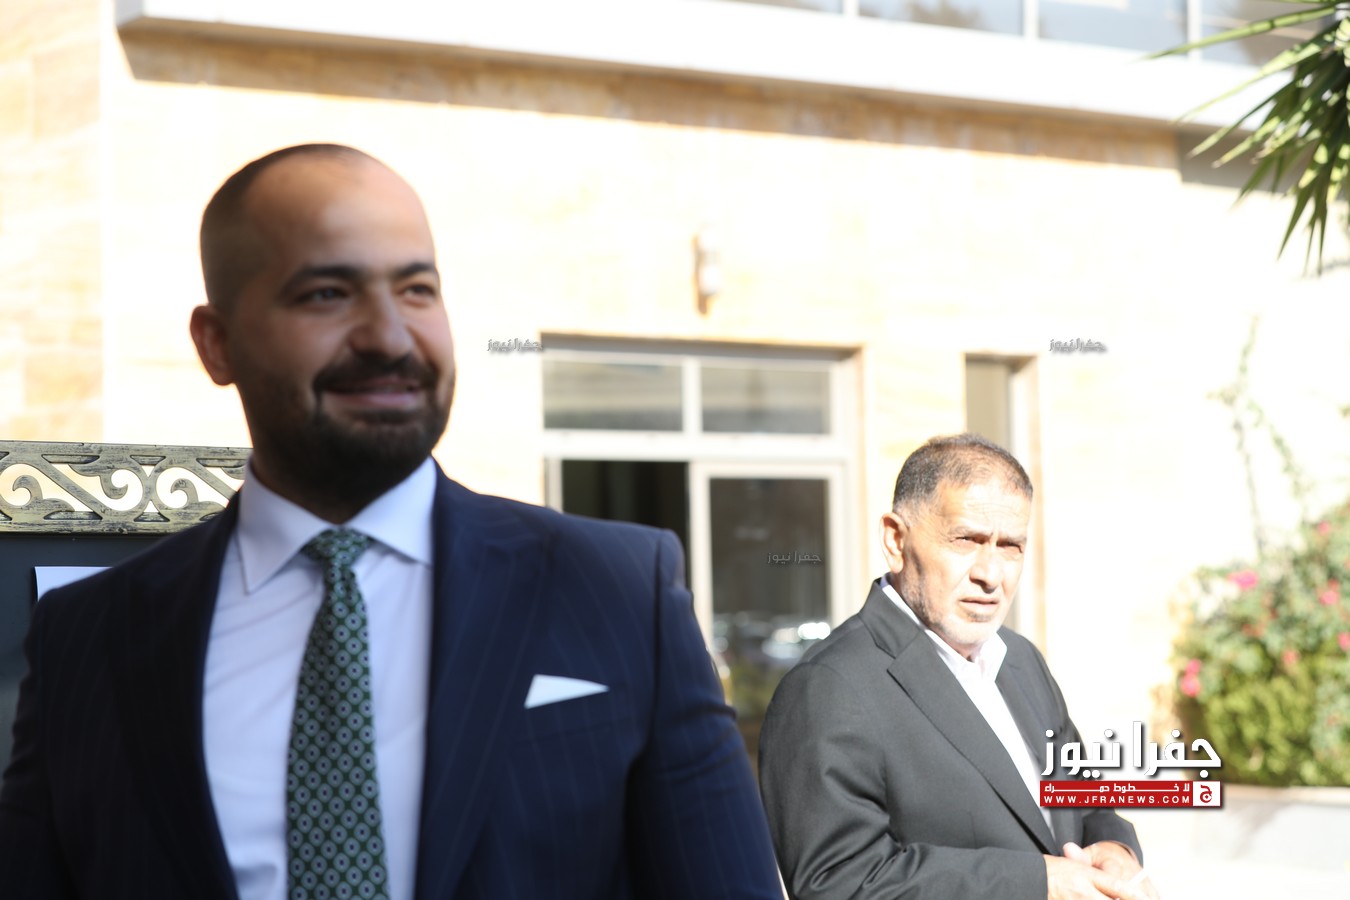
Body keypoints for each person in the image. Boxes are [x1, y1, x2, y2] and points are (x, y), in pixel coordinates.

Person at [0, 143, 782, 899]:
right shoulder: (88, 636)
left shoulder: (617, 592)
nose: (389, 335)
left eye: (416, 289)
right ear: (217, 343)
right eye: (326, 294)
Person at [758, 433, 1157, 900]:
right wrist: (1039, 883)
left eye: (1011, 546)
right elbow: (840, 885)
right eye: (967, 539)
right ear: (895, 540)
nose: (991, 574)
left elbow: (1081, 794)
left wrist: (1114, 848)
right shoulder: (828, 689)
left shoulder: (1020, 660)